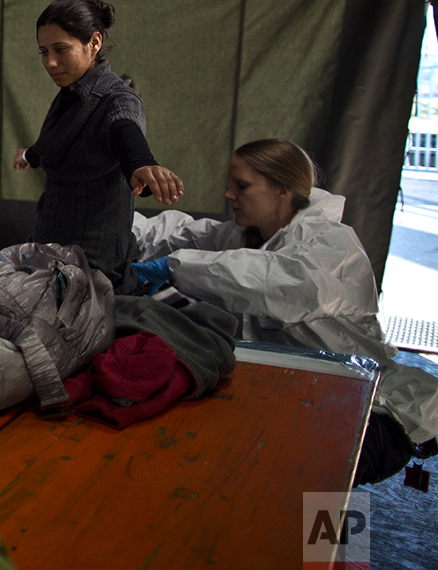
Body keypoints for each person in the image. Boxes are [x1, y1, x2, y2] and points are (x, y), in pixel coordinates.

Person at [131, 138, 438, 484]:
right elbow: (181, 233)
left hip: (370, 412)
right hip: (299, 395)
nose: (229, 194)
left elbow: (276, 281)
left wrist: (173, 268)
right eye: (230, 183)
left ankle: (319, 536)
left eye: (242, 185)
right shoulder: (248, 235)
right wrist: (112, 221)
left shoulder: (332, 244)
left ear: (283, 190)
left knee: (297, 490)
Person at [13, 0, 183, 294]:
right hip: (51, 247)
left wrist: (142, 162)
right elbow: (54, 142)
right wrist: (29, 154)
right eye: (43, 51)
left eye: (61, 49)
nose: (50, 62)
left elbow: (124, 128)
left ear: (94, 43)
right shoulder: (70, 93)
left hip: (94, 268)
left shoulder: (116, 97)